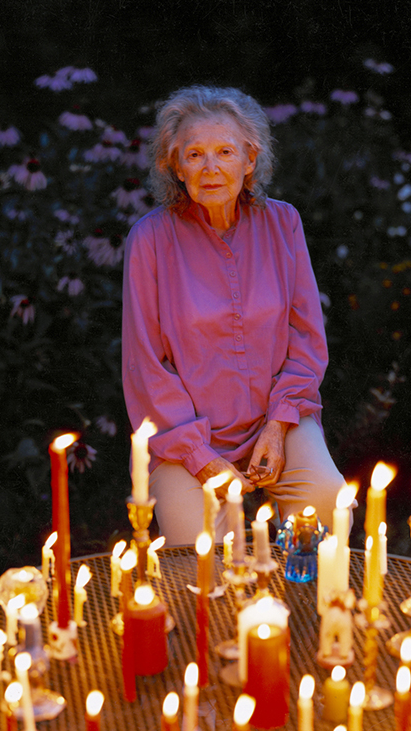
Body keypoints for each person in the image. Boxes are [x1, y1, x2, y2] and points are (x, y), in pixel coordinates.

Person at [122, 85, 345, 545]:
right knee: (197, 549)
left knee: (325, 499)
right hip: (183, 435)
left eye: (225, 151)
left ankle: (299, 607)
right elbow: (147, 367)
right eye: (195, 154)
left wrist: (280, 424)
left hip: (277, 416)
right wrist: (201, 457)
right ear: (174, 166)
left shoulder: (284, 224)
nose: (210, 168)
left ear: (250, 160)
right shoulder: (150, 240)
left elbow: (306, 341)